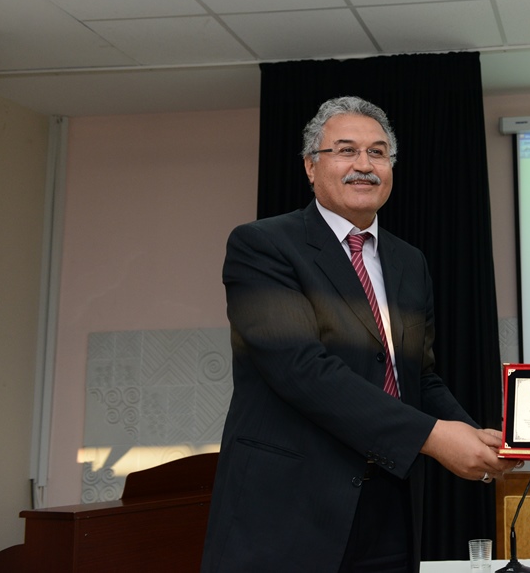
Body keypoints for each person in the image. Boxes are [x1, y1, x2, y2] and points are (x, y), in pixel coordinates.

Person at [201, 96, 513, 573]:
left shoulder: (409, 262)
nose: (364, 165)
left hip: (390, 508)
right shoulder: (262, 246)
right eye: (346, 150)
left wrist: (475, 436)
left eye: (378, 152)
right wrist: (434, 437)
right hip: (287, 514)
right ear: (311, 166)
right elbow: (303, 371)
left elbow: (416, 377)